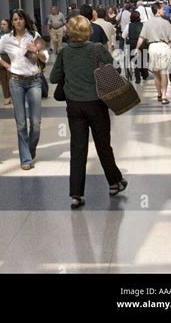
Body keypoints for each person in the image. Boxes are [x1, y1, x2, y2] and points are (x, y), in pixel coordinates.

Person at [50, 16, 126, 209]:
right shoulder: (97, 49)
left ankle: (76, 194)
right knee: (103, 145)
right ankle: (114, 182)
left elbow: (54, 78)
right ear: (88, 31)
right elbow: (114, 68)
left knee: (77, 149)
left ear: (69, 32)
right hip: (96, 104)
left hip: (74, 106)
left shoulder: (65, 52)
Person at [0, 9, 48, 170]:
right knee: (21, 122)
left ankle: (31, 149)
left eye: (21, 19)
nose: (18, 22)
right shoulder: (6, 39)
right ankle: (26, 158)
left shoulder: (34, 36)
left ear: (25, 20)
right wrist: (6, 65)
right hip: (16, 81)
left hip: (34, 81)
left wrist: (35, 50)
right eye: (15, 19)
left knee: (36, 123)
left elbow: (45, 57)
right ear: (12, 22)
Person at [135, 2, 171, 105]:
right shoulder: (166, 22)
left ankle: (159, 94)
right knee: (164, 72)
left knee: (156, 73)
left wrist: (137, 48)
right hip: (163, 47)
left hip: (152, 47)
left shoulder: (147, 23)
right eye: (162, 9)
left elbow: (141, 37)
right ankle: (164, 96)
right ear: (158, 10)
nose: (164, 10)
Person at [122, 10, 148, 84]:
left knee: (136, 60)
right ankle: (145, 74)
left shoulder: (128, 26)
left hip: (132, 44)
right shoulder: (143, 25)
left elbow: (124, 36)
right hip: (142, 44)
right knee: (143, 59)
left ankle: (137, 78)